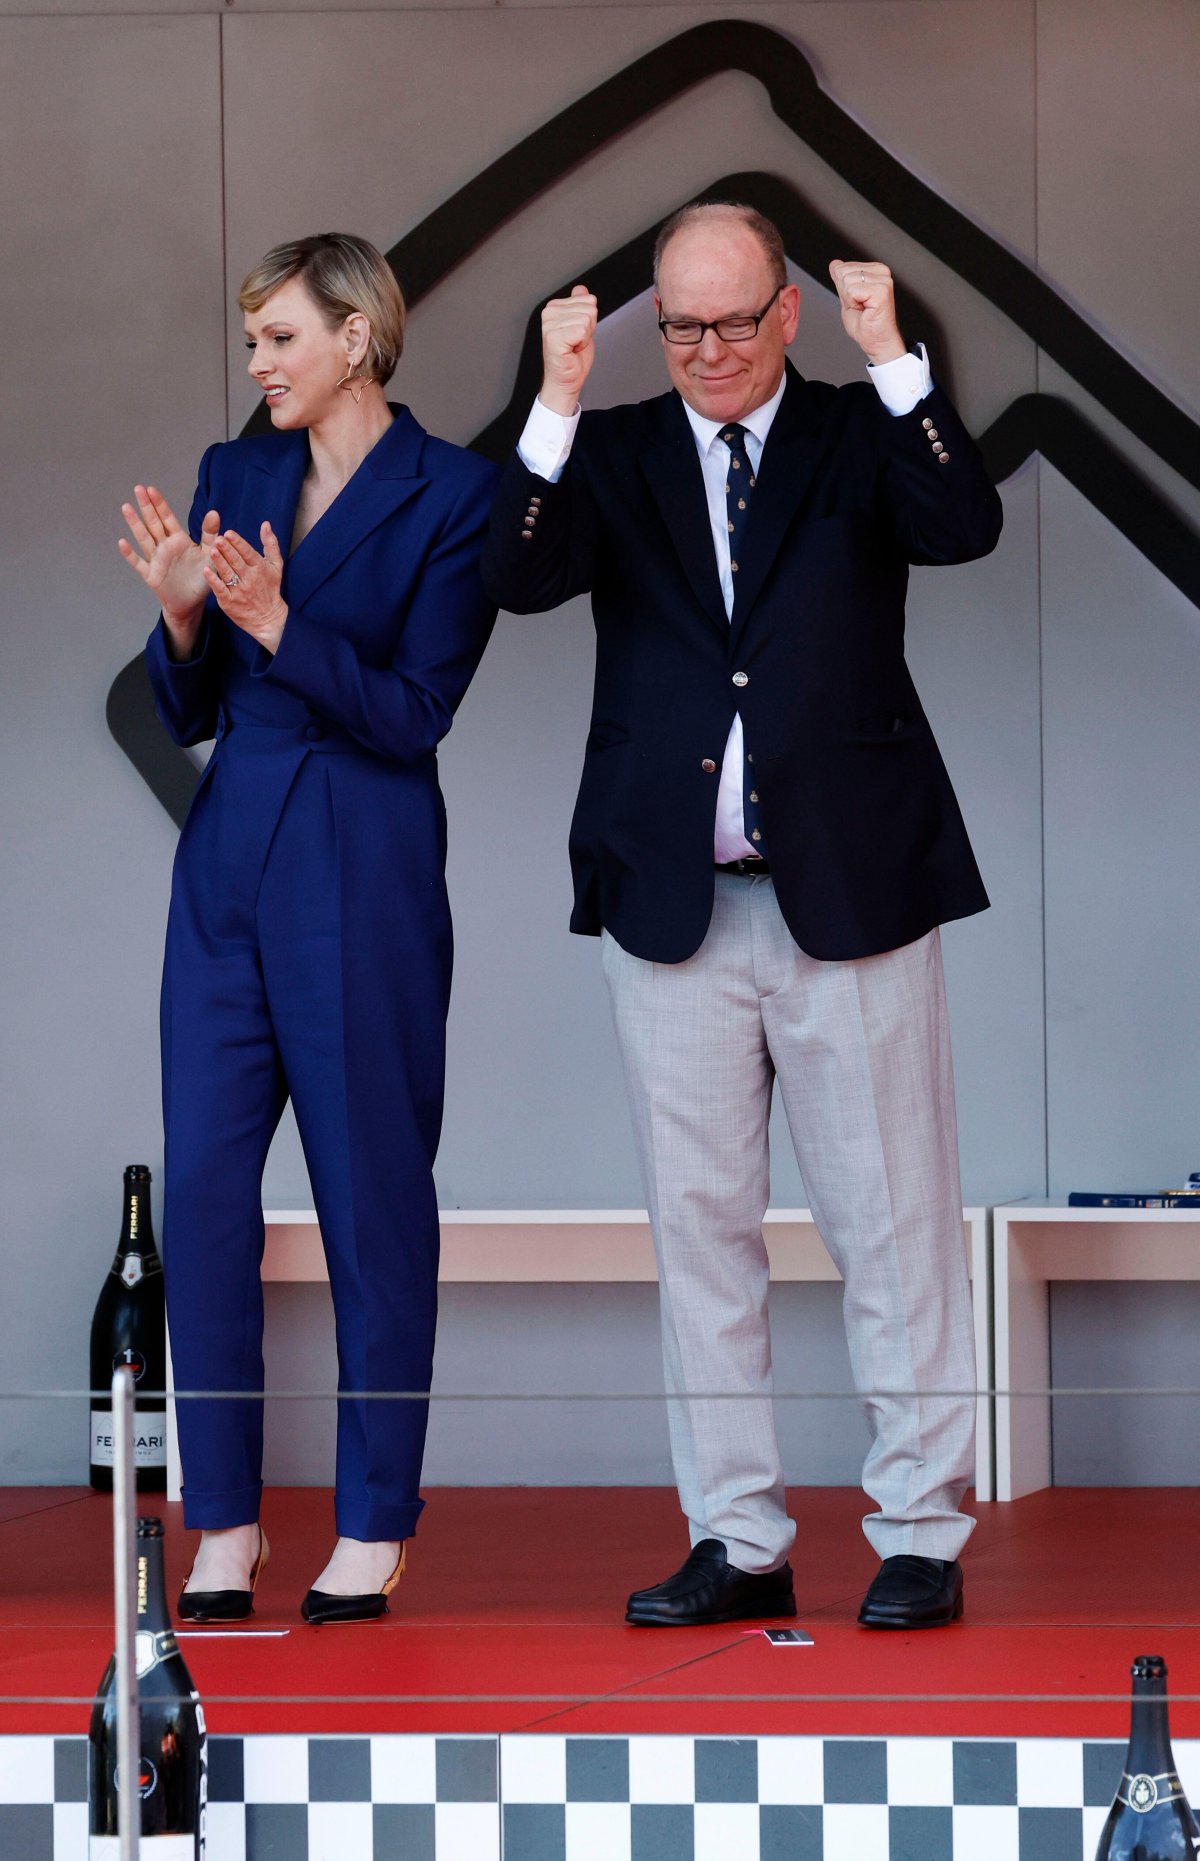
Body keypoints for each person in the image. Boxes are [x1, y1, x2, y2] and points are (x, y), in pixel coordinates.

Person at [483, 202, 1002, 1630]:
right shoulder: (613, 448)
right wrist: (557, 397)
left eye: (730, 321)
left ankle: (919, 1530)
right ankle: (737, 1533)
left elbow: (963, 524)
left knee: (894, 1229)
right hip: (674, 903)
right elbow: (512, 576)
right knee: (700, 1237)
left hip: (856, 887)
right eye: (680, 326)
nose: (706, 350)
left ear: (787, 312)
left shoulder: (857, 429)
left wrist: (895, 359)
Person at [119, 233, 497, 1623]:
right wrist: (183, 622)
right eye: (253, 341)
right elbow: (191, 708)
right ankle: (221, 1521)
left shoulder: (454, 492)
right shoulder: (237, 470)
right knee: (208, 1200)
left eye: (280, 337)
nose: (259, 363)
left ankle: (375, 1521)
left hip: (365, 861)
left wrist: (279, 623)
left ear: (357, 336)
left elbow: (415, 714)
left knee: (371, 1197)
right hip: (227, 866)